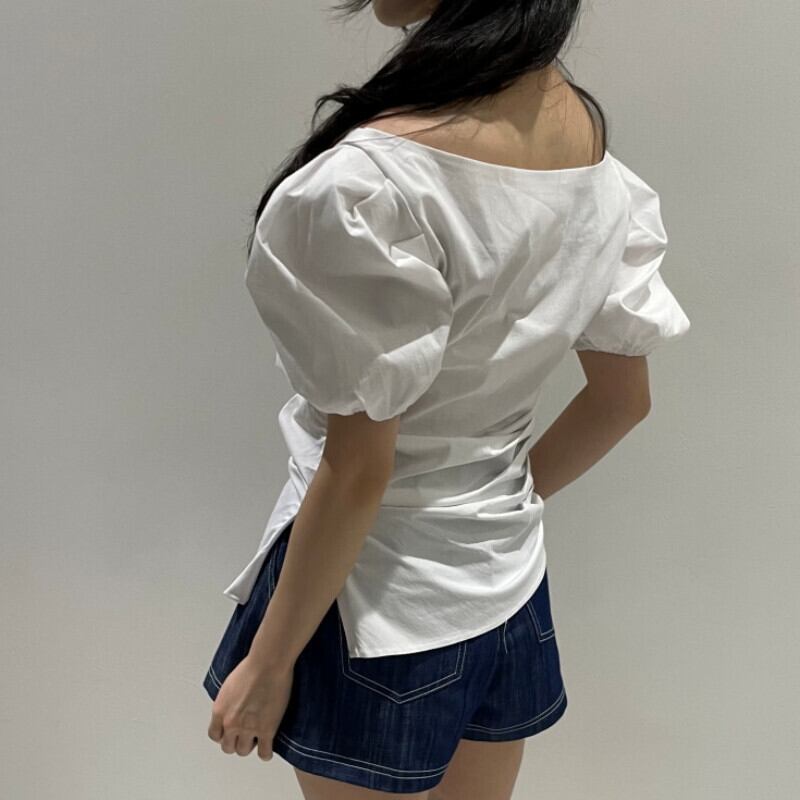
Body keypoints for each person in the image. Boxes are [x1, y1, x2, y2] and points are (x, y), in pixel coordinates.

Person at [204, 1, 692, 797]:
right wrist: (496, 497)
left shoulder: (367, 187)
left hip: (372, 603)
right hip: (510, 588)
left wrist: (268, 661)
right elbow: (622, 401)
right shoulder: (587, 154)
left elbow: (360, 471)